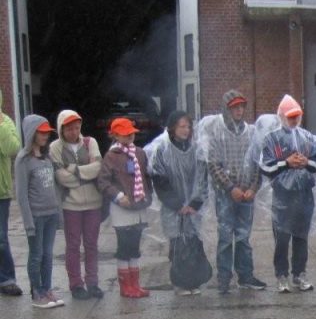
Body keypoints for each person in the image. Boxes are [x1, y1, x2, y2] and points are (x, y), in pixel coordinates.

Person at [259, 94, 316, 293]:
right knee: (283, 237)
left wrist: (305, 163)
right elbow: (265, 167)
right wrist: (286, 163)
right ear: (282, 116)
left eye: (297, 116)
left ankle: (299, 274)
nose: (294, 120)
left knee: (301, 237)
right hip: (283, 196)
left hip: (304, 193)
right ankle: (281, 275)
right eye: (290, 116)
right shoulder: (272, 139)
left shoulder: (307, 137)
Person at [207, 89, 264, 293]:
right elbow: (213, 164)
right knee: (225, 237)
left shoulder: (251, 133)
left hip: (246, 195)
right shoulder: (218, 134)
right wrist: (230, 187)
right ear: (226, 110)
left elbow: (258, 163)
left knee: (243, 238)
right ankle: (224, 278)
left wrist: (253, 188)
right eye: (234, 108)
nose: (239, 111)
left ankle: (245, 276)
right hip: (226, 195)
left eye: (241, 107)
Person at [149, 111, 207, 295]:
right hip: (173, 209)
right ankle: (180, 283)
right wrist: (177, 204)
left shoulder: (197, 149)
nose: (185, 130)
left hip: (192, 208)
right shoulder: (162, 150)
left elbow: (202, 179)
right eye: (181, 126)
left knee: (193, 243)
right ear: (172, 128)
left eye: (188, 126)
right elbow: (160, 180)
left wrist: (195, 204)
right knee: (177, 245)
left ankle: (194, 282)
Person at [50, 109, 104, 299]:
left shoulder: (91, 143)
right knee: (73, 245)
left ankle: (93, 282)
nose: (74, 132)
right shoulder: (55, 148)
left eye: (77, 127)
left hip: (93, 203)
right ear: (61, 130)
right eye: (70, 129)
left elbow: (98, 167)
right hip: (70, 204)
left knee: (91, 244)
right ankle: (76, 284)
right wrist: (84, 175)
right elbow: (61, 177)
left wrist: (73, 169)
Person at [97, 117, 154, 298]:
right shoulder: (111, 156)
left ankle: (135, 284)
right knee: (124, 246)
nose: (129, 136)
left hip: (139, 206)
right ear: (114, 135)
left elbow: (146, 176)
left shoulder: (140, 153)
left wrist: (148, 194)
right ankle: (125, 286)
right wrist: (119, 196)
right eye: (124, 134)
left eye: (131, 133)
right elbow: (103, 182)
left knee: (135, 246)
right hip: (122, 207)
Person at [14, 115, 64, 308]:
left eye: (47, 133)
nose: (45, 136)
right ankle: (37, 293)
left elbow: (54, 188)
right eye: (41, 132)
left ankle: (47, 288)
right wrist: (28, 222)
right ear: (32, 133)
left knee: (48, 254)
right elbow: (21, 195)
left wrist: (58, 213)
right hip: (36, 215)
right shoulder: (23, 160)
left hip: (51, 214)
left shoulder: (47, 156)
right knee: (37, 254)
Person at [0, 88, 23, 296]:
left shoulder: (6, 122)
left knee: (0, 238)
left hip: (1, 192)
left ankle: (6, 279)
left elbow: (12, 148)